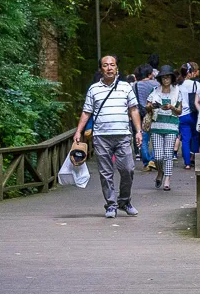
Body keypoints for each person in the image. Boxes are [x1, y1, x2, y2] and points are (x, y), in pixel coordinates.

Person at [72, 55, 142, 218]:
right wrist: (78, 131)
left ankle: (124, 200)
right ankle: (111, 204)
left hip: (123, 135)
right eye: (105, 65)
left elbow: (134, 110)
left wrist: (138, 131)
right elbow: (86, 111)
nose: (109, 68)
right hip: (101, 136)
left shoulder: (126, 87)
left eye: (112, 65)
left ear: (117, 68)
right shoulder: (94, 89)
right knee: (105, 172)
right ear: (100, 69)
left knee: (128, 169)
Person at [146, 66, 185, 190]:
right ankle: (160, 172)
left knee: (168, 154)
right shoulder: (154, 90)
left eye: (168, 77)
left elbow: (179, 111)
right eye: (163, 77)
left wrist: (172, 107)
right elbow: (147, 106)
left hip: (172, 125)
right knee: (158, 156)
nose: (165, 80)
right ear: (160, 79)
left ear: (172, 78)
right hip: (157, 125)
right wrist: (152, 106)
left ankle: (167, 179)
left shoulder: (177, 92)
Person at [174, 62, 200, 170]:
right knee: (195, 138)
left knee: (185, 139)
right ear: (190, 73)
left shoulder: (177, 85)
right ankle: (195, 159)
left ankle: (187, 163)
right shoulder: (196, 84)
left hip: (182, 115)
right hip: (193, 114)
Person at [134, 63, 160, 170]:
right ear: (150, 74)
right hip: (155, 113)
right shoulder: (157, 84)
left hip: (141, 114)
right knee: (156, 137)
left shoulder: (135, 85)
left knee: (144, 138)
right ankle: (153, 159)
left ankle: (146, 161)